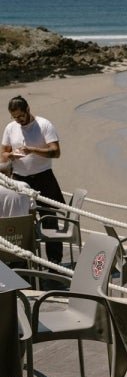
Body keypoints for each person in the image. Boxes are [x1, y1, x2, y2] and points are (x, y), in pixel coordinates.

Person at [1, 95, 65, 263]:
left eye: (21, 116)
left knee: (49, 220)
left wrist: (32, 150)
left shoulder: (44, 125)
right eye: (14, 117)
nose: (18, 120)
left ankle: (54, 262)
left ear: (28, 109)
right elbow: (4, 155)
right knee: (20, 219)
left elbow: (56, 152)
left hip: (44, 177)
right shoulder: (10, 127)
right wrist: (11, 156)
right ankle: (24, 260)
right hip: (19, 179)